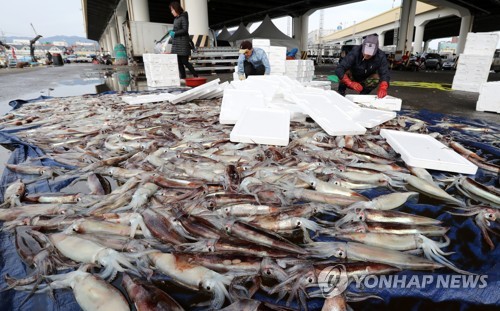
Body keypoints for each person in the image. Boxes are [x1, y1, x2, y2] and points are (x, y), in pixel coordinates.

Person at [335, 34, 390, 98]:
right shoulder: (355, 51)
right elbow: (339, 68)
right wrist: (350, 83)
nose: (366, 55)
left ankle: (363, 95)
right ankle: (341, 92)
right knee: (343, 73)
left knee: (376, 78)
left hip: (366, 79)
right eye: (365, 52)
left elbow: (385, 73)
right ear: (363, 47)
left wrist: (383, 87)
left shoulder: (380, 56)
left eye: (369, 54)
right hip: (352, 77)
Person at [169, 1, 198, 81]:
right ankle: (183, 77)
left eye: (172, 10)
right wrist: (172, 33)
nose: (171, 12)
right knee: (179, 62)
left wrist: (175, 33)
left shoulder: (183, 17)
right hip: (177, 44)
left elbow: (185, 30)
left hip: (183, 44)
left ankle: (196, 76)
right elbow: (176, 30)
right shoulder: (176, 19)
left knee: (185, 61)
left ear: (176, 9)